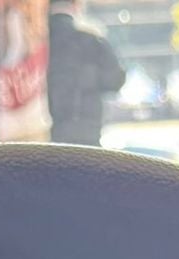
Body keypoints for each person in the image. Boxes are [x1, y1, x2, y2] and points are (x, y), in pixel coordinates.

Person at [45, 0, 125, 148]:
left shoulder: (38, 44)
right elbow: (115, 80)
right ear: (77, 5)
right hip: (86, 133)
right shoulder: (93, 41)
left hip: (45, 135)